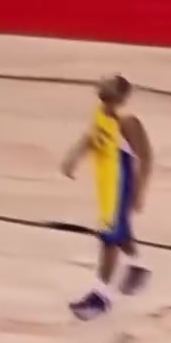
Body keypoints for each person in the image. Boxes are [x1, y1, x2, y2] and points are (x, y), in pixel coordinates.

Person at [61, 74, 155, 320]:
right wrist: (73, 157)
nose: (102, 83)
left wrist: (139, 191)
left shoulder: (128, 122)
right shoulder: (101, 114)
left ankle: (101, 297)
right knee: (118, 232)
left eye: (109, 83)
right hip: (105, 185)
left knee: (108, 239)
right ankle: (139, 266)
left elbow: (146, 158)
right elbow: (91, 137)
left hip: (120, 187)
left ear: (119, 95)